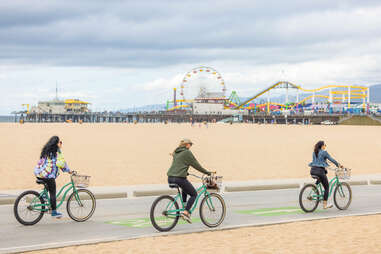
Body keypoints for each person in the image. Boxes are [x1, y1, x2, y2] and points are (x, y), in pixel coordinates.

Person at [167, 139, 213, 223]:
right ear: (187, 145)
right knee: (194, 194)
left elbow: (178, 164)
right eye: (190, 144)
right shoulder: (187, 152)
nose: (191, 146)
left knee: (184, 188)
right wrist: (207, 172)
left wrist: (185, 172)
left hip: (170, 177)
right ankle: (186, 212)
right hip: (179, 178)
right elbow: (196, 164)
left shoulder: (177, 152)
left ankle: (184, 207)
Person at [34, 136, 72, 218]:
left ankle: (44, 196)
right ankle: (54, 212)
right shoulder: (56, 152)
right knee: (53, 192)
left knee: (49, 185)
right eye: (60, 142)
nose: (61, 143)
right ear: (56, 143)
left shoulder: (46, 150)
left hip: (39, 173)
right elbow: (61, 164)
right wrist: (69, 171)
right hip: (48, 175)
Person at [309, 140, 342, 209]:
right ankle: (325, 205)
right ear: (322, 146)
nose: (325, 146)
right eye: (325, 145)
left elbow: (318, 161)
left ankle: (314, 187)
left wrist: (325, 164)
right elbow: (332, 159)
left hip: (312, 170)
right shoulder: (324, 152)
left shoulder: (314, 152)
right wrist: (338, 165)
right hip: (320, 171)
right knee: (327, 187)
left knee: (323, 175)